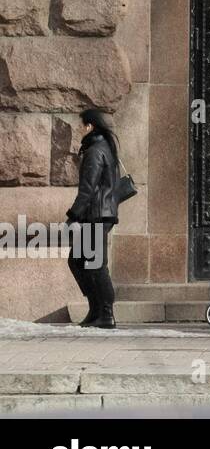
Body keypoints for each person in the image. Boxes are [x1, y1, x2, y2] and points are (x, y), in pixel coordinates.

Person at [66, 108, 120, 329]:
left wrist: (73, 214)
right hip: (100, 214)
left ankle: (105, 313)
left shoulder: (95, 151)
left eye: (81, 125)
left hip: (96, 215)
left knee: (95, 264)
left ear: (90, 126)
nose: (80, 129)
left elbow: (87, 188)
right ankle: (95, 309)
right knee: (79, 260)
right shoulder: (102, 148)